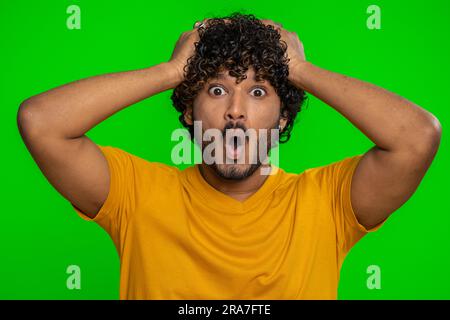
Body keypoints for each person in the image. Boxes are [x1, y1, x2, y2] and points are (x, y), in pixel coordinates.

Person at [17, 13, 441, 300]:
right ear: (189, 109)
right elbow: (40, 122)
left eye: (258, 92)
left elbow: (417, 137)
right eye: (216, 90)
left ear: (281, 120)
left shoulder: (326, 202)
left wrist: (299, 69)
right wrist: (170, 72)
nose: (235, 110)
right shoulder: (135, 193)